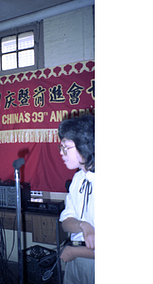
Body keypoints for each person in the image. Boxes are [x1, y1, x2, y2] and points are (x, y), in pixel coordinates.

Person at [58, 115, 95, 284]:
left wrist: (74, 252)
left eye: (66, 147)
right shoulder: (78, 178)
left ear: (85, 145)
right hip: (76, 258)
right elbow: (66, 221)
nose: (61, 152)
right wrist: (83, 225)